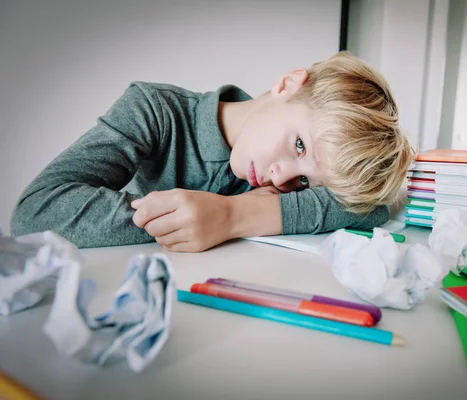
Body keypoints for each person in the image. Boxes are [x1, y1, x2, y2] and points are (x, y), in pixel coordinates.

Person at [10, 51, 414, 252]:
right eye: (298, 145)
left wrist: (235, 215)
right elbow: (35, 211)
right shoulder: (154, 110)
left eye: (305, 180)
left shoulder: (281, 176)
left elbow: (372, 207)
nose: (280, 178)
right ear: (289, 83)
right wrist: (198, 218)